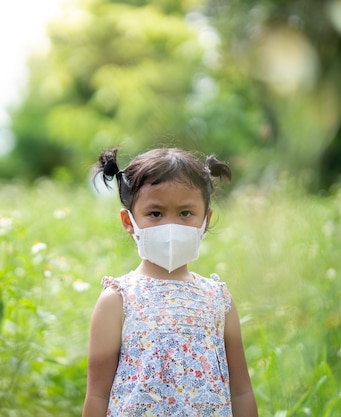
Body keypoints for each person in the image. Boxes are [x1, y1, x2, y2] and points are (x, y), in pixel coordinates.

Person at [83, 147, 258, 417]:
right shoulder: (118, 299)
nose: (171, 226)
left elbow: (241, 391)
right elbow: (97, 394)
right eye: (155, 214)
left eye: (185, 213)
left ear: (206, 220)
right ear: (129, 222)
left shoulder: (218, 300)